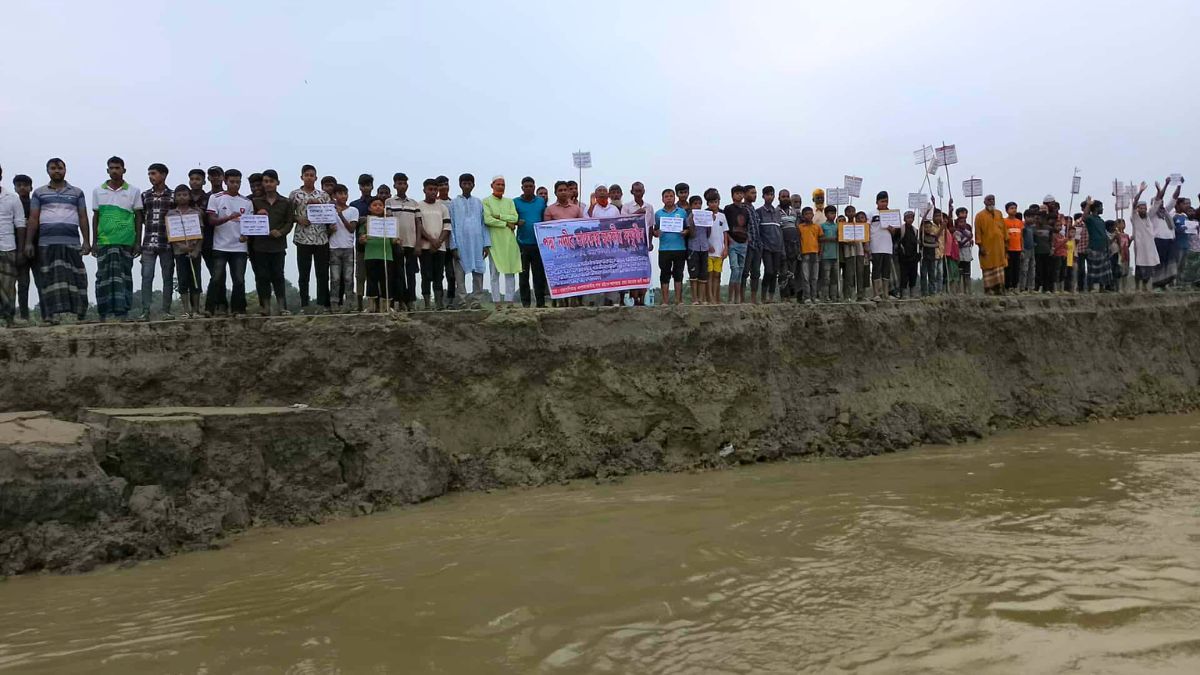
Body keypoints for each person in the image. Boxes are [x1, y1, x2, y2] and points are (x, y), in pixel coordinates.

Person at [24, 159, 90, 324]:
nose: (57, 171)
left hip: (72, 241)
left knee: (77, 276)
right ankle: (49, 316)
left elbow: (83, 217)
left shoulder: (77, 192)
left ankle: (80, 314)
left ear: (65, 170)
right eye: (53, 168)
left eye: (60, 168)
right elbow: (33, 218)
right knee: (48, 278)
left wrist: (87, 241)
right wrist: (28, 243)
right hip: (47, 242)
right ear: (48, 171)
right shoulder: (39, 193)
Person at [92, 156, 142, 321]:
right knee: (103, 277)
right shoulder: (98, 191)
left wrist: (137, 242)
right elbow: (96, 217)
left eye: (117, 168)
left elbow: (139, 217)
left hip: (126, 241)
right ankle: (103, 313)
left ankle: (123, 313)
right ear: (107, 170)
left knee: (124, 276)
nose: (114, 170)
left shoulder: (133, 191)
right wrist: (94, 242)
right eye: (111, 168)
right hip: (104, 241)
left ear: (124, 170)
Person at [205, 168, 251, 316]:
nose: (235, 185)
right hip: (220, 246)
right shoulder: (216, 198)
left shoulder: (247, 202)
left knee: (239, 280)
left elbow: (250, 225)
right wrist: (228, 217)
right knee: (216, 278)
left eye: (238, 182)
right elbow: (211, 220)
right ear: (225, 181)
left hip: (239, 247)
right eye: (232, 182)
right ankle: (209, 309)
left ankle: (239, 309)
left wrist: (246, 236)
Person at [288, 164, 332, 312]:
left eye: (311, 175)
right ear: (302, 177)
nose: (309, 177)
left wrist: (319, 205)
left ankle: (321, 304)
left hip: (321, 238)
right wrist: (298, 218)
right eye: (306, 175)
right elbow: (288, 214)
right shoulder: (295, 195)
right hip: (303, 237)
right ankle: (304, 304)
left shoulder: (323, 195)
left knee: (322, 273)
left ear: (316, 177)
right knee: (304, 273)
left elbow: (329, 214)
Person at [249, 169, 293, 316]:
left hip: (278, 246)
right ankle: (265, 307)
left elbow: (289, 222)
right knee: (262, 277)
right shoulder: (254, 202)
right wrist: (256, 215)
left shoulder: (286, 202)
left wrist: (280, 232)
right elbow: (248, 221)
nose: (268, 184)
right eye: (266, 181)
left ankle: (282, 307)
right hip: (260, 246)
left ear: (277, 183)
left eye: (271, 181)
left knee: (278, 276)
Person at [139, 163, 175, 320]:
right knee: (147, 276)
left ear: (164, 175)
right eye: (149, 174)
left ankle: (166, 310)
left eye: (153, 173)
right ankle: (145, 311)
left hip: (167, 243)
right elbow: (140, 218)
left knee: (168, 277)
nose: (150, 177)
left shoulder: (173, 195)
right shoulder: (145, 195)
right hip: (148, 243)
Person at [449, 173, 487, 308]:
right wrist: (453, 246)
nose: (467, 186)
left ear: (473, 185)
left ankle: (476, 301)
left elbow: (483, 224)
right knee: (460, 275)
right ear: (460, 185)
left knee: (478, 272)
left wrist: (486, 244)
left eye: (469, 183)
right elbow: (451, 225)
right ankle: (462, 301)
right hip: (460, 243)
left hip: (477, 243)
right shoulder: (453, 203)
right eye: (464, 183)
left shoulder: (478, 202)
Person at [167, 185, 204, 318]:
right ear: (175, 198)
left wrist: (196, 250)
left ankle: (196, 310)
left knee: (195, 280)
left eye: (185, 194)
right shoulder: (171, 214)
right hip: (179, 252)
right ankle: (186, 310)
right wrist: (180, 245)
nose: (182, 197)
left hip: (194, 252)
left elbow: (201, 233)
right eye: (179, 195)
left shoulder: (195, 213)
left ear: (189, 196)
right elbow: (170, 233)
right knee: (182, 280)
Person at [482, 176, 520, 309]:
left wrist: (498, 216)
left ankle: (509, 301)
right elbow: (487, 219)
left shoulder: (509, 201)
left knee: (510, 271)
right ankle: (497, 301)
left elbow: (515, 217)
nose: (500, 187)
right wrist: (505, 223)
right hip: (494, 241)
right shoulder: (486, 201)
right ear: (492, 185)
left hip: (509, 241)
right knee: (494, 272)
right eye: (498, 184)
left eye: (503, 184)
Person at [416, 178, 453, 309]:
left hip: (440, 247)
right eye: (430, 189)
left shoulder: (442, 207)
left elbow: (447, 227)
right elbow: (419, 226)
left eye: (435, 190)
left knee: (439, 275)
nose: (433, 192)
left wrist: (439, 242)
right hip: (425, 247)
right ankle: (427, 304)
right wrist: (431, 241)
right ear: (424, 190)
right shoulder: (418, 206)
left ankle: (439, 303)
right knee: (426, 275)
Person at [385, 174, 420, 310]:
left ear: (407, 185)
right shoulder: (389, 202)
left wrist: (418, 243)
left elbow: (418, 223)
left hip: (411, 243)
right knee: (398, 274)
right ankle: (400, 301)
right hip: (396, 243)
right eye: (399, 183)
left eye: (404, 183)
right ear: (394, 185)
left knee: (411, 274)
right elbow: (388, 221)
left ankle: (411, 300)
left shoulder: (414, 203)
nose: (401, 186)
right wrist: (393, 239)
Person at [514, 176, 548, 308]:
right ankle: (526, 304)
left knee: (538, 276)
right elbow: (512, 218)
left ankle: (540, 303)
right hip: (522, 244)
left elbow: (545, 219)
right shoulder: (515, 202)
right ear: (522, 188)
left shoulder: (540, 202)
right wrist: (517, 222)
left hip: (538, 244)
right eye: (526, 186)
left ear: (534, 187)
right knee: (523, 276)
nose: (528, 188)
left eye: (531, 186)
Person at [654, 187, 691, 305]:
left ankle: (678, 300)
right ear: (662, 199)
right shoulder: (658, 214)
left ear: (674, 198)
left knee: (678, 274)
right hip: (664, 249)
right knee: (664, 275)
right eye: (666, 196)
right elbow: (654, 231)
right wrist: (657, 233)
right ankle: (665, 301)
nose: (669, 198)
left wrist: (685, 232)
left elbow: (688, 229)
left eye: (671, 196)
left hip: (680, 248)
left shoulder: (682, 212)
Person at [620, 181, 656, 306]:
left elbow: (651, 226)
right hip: (631, 245)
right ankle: (634, 299)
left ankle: (642, 298)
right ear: (632, 192)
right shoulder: (627, 207)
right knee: (633, 271)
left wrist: (650, 242)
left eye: (640, 191)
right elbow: (622, 222)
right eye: (636, 191)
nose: (638, 193)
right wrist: (636, 214)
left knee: (644, 271)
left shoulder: (649, 207)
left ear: (644, 191)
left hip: (644, 244)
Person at [585, 184, 621, 306]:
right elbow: (586, 224)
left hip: (610, 248)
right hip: (595, 248)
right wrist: (592, 204)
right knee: (594, 274)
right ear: (595, 194)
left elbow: (618, 226)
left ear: (608, 193)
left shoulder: (614, 209)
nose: (601, 193)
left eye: (604, 190)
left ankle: (611, 300)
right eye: (599, 191)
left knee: (611, 273)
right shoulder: (590, 209)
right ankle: (592, 300)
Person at [358, 195, 395, 312]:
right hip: (371, 255)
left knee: (387, 281)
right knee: (371, 280)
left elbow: (393, 239)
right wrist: (362, 239)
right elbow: (360, 238)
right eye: (375, 205)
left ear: (384, 207)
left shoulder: (390, 222)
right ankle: (371, 306)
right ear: (369, 208)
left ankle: (386, 306)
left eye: (380, 205)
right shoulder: (365, 223)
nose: (378, 207)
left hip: (386, 254)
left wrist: (396, 240)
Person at [11, 174, 40, 322]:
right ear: (15, 188)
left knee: (41, 281)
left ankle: (47, 314)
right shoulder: (12, 204)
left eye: (25, 185)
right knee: (23, 284)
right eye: (19, 185)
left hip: (37, 248)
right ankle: (24, 316)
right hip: (19, 248)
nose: (22, 187)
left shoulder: (36, 204)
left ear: (31, 187)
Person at [326, 184, 358, 313]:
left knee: (348, 278)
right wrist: (329, 230)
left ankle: (349, 304)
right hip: (334, 248)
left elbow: (351, 229)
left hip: (348, 248)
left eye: (345, 193)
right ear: (334, 196)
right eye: (340, 193)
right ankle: (334, 304)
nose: (343, 196)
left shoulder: (353, 210)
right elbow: (326, 232)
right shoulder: (329, 210)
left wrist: (340, 215)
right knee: (335, 278)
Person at [0, 166, 25, 327]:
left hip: (7, 247)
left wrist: (21, 250)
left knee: (8, 285)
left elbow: (20, 224)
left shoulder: (12, 198)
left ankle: (9, 319)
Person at [349, 173, 374, 310]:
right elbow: (352, 223)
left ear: (372, 186)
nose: (366, 188)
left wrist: (368, 219)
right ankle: (359, 304)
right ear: (359, 187)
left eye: (368, 185)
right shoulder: (354, 205)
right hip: (360, 246)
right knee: (360, 275)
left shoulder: (377, 201)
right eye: (363, 185)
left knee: (373, 275)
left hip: (376, 246)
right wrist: (361, 220)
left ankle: (373, 304)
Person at [756, 186, 785, 303]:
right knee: (768, 271)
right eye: (767, 194)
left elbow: (780, 231)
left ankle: (771, 297)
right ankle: (763, 296)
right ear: (763, 196)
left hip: (777, 247)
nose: (770, 197)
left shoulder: (778, 212)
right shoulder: (759, 211)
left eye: (771, 194)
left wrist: (782, 249)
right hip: (766, 247)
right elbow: (758, 231)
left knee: (775, 273)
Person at [1128, 182, 1159, 292]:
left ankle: (1146, 287)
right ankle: (1137, 287)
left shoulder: (1149, 217)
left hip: (1150, 247)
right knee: (1139, 268)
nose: (1143, 210)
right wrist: (1140, 191)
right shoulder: (1135, 217)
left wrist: (1159, 190)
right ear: (1137, 209)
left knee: (1149, 267)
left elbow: (1157, 203)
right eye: (1140, 208)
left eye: (1144, 208)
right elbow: (1135, 202)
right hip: (1140, 247)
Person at [1078, 197, 1112, 292]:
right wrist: (1088, 204)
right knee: (1093, 269)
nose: (1103, 209)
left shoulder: (1101, 220)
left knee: (1103, 269)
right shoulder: (1090, 219)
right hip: (1094, 247)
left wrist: (1107, 246)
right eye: (1101, 207)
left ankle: (1102, 288)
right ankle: (1090, 288)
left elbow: (1104, 234)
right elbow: (1084, 217)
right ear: (1096, 208)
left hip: (1103, 247)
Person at [867, 191, 897, 301]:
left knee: (886, 270)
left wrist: (891, 229)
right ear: (877, 202)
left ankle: (886, 294)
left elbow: (894, 232)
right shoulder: (871, 213)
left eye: (886, 201)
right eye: (882, 201)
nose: (884, 204)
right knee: (876, 269)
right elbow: (867, 229)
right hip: (875, 245)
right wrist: (867, 245)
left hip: (887, 246)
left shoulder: (891, 214)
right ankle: (876, 293)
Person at [975, 194, 1007, 295]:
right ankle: (989, 289)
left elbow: (1004, 230)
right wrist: (980, 246)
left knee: (999, 266)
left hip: (999, 246)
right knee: (987, 266)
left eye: (993, 199)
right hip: (987, 246)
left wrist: (1006, 243)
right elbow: (977, 232)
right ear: (984, 202)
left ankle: (999, 288)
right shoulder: (979, 216)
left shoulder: (999, 213)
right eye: (989, 200)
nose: (991, 201)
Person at [723, 185, 749, 304]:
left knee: (741, 270)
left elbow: (747, 226)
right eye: (737, 193)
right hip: (733, 242)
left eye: (741, 193)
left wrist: (747, 239)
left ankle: (737, 298)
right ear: (732, 195)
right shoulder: (728, 209)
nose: (739, 195)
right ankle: (730, 297)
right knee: (735, 269)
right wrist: (728, 240)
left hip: (743, 242)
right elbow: (725, 226)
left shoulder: (745, 210)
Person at [704, 188, 729, 304]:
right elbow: (702, 233)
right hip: (708, 251)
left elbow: (725, 233)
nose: (713, 204)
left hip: (719, 251)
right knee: (709, 275)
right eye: (711, 202)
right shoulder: (704, 215)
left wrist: (726, 248)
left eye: (715, 202)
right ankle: (710, 298)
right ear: (707, 203)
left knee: (717, 275)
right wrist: (707, 245)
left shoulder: (722, 216)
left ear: (718, 202)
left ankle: (717, 297)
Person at [684, 194, 710, 304]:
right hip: (693, 247)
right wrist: (693, 221)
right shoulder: (689, 217)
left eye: (699, 204)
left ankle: (702, 298)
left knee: (703, 274)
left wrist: (709, 221)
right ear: (690, 205)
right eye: (695, 204)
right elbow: (692, 234)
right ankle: (694, 299)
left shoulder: (706, 216)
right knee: (694, 274)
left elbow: (708, 233)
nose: (698, 206)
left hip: (704, 247)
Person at [743, 185, 763, 303]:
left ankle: (754, 298)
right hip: (747, 244)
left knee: (756, 272)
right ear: (745, 194)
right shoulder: (742, 209)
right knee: (744, 272)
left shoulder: (754, 211)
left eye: (755, 193)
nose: (754, 195)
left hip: (757, 244)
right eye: (752, 193)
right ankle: (740, 297)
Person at [779, 191, 800, 300]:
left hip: (794, 245)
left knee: (793, 272)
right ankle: (784, 296)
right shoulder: (776, 211)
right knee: (783, 271)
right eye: (783, 197)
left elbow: (797, 227)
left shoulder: (793, 212)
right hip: (782, 245)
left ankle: (793, 296)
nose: (786, 199)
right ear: (779, 198)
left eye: (787, 197)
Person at [797, 206, 821, 303]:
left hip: (815, 253)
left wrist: (820, 252)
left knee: (814, 277)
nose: (808, 216)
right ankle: (807, 297)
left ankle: (814, 296)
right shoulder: (800, 227)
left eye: (810, 213)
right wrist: (799, 252)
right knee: (805, 276)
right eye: (806, 214)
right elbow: (798, 240)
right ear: (803, 216)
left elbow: (820, 240)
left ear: (813, 215)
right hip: (805, 253)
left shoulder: (817, 227)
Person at [818, 205, 840, 302]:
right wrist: (831, 239)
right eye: (831, 213)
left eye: (834, 213)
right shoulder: (822, 226)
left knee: (835, 277)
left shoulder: (837, 226)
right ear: (826, 214)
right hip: (826, 255)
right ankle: (825, 296)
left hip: (836, 255)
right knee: (826, 278)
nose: (833, 215)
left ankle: (834, 296)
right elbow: (820, 238)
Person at [897, 210, 920, 299]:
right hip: (904, 257)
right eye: (908, 218)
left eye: (912, 218)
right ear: (904, 219)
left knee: (913, 275)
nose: (910, 219)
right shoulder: (901, 229)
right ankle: (903, 293)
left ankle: (913, 292)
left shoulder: (915, 230)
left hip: (913, 257)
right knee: (904, 275)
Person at [953, 205, 974, 295]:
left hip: (967, 254)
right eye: (961, 222)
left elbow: (970, 238)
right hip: (960, 254)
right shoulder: (956, 232)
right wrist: (967, 239)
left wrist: (970, 240)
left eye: (964, 222)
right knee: (959, 273)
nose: (963, 223)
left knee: (967, 273)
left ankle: (968, 290)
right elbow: (959, 244)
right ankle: (958, 291)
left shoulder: (968, 230)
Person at [1004, 202, 1023, 290]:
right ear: (1007, 210)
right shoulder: (1004, 221)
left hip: (1018, 248)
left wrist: (1022, 248)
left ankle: (1015, 286)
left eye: (1015, 208)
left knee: (1016, 268)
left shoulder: (1019, 222)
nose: (1014, 210)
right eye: (1011, 208)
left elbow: (1021, 236)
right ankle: (1008, 286)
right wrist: (1005, 250)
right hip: (1009, 249)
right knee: (1008, 268)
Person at [1020, 203, 1039, 293]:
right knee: (1024, 269)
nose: (1032, 219)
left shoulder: (1033, 228)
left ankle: (1031, 287)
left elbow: (1035, 237)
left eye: (1033, 217)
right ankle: (1022, 287)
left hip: (1032, 249)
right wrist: (1022, 250)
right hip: (1025, 249)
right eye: (1030, 217)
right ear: (1026, 217)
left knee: (1032, 268)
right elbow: (1021, 239)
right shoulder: (1023, 227)